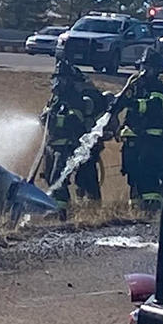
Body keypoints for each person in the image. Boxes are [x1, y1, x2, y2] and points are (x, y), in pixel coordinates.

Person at [40, 60, 104, 217]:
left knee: (59, 178)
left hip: (70, 146)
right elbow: (46, 118)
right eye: (56, 79)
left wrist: (55, 120)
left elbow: (74, 121)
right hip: (55, 146)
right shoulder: (55, 99)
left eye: (61, 79)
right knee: (53, 177)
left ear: (68, 80)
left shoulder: (74, 98)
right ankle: (60, 209)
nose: (57, 83)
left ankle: (60, 212)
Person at [118, 48, 163, 211]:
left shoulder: (159, 88)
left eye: (150, 67)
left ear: (157, 70)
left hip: (151, 140)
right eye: (143, 67)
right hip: (132, 138)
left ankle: (152, 208)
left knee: (148, 173)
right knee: (132, 174)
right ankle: (135, 208)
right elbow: (121, 103)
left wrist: (132, 103)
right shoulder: (134, 85)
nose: (145, 71)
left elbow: (154, 106)